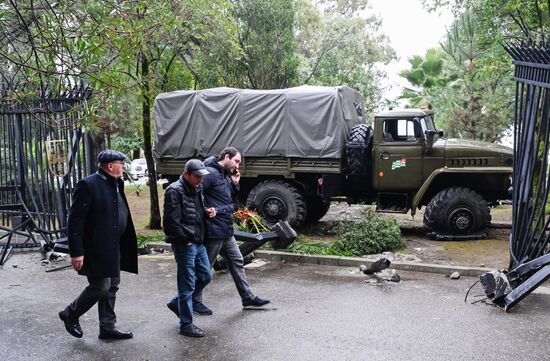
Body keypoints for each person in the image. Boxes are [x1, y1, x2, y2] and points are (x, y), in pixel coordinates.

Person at [58, 150, 138, 340]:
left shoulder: (116, 182)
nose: (124, 166)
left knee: (112, 286)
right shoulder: (88, 184)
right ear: (110, 166)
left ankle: (107, 327)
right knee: (100, 286)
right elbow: (75, 221)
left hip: (114, 246)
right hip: (95, 249)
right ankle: (70, 313)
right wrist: (76, 252)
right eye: (121, 163)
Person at [192, 147, 270, 314]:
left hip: (226, 230)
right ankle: (191, 300)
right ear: (226, 157)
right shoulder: (211, 173)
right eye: (236, 161)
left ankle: (248, 298)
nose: (238, 166)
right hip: (214, 232)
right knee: (205, 270)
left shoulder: (224, 174)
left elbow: (228, 199)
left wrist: (234, 184)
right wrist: (207, 211)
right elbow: (195, 194)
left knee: (237, 262)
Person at [163, 159, 216, 338]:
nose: (200, 180)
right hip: (185, 243)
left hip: (198, 240)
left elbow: (195, 211)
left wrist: (207, 212)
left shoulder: (197, 187)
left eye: (202, 177)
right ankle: (186, 324)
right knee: (187, 285)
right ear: (186, 174)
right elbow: (171, 221)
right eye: (197, 177)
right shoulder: (174, 190)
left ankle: (176, 303)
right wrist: (184, 239)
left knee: (206, 276)